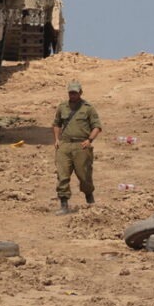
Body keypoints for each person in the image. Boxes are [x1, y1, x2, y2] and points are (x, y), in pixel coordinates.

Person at [52, 80, 102, 215]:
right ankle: (64, 205)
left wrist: (89, 140)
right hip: (65, 145)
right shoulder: (62, 107)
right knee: (62, 175)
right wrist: (56, 139)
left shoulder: (88, 108)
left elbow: (97, 126)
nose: (72, 95)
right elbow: (56, 124)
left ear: (80, 93)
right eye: (70, 93)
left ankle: (89, 199)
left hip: (82, 146)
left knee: (84, 175)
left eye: (75, 93)